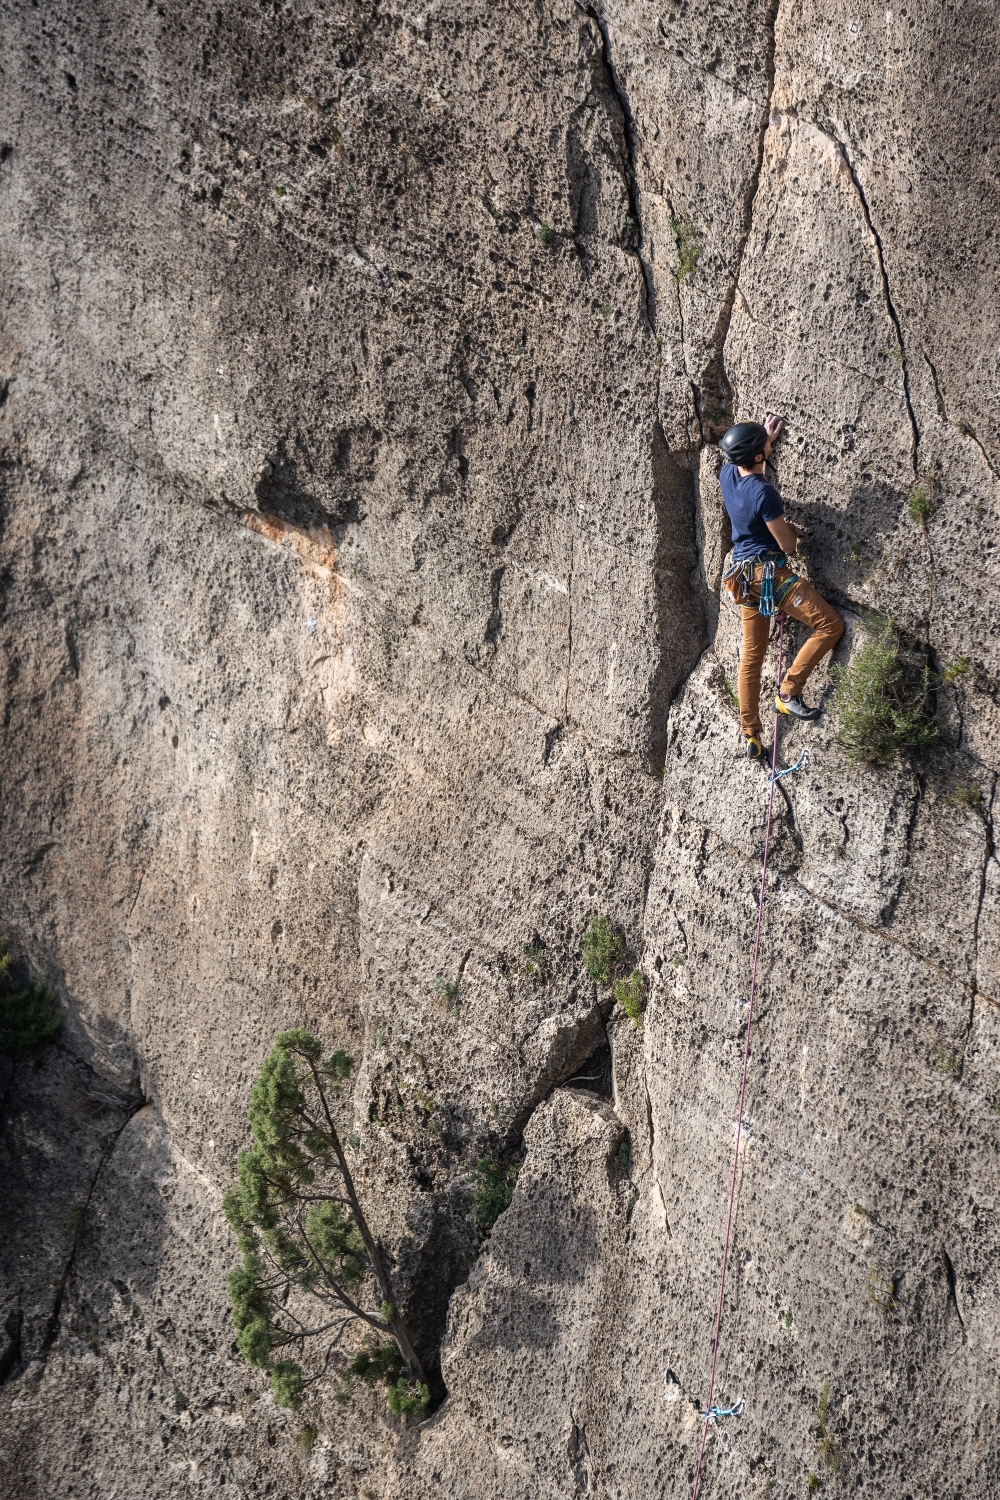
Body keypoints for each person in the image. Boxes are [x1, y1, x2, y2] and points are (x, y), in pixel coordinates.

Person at [719, 416, 844, 761]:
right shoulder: (764, 492)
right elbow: (787, 546)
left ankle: (751, 733)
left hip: (742, 578)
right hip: (769, 576)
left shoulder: (727, 474)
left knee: (752, 657)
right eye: (764, 445)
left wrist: (761, 439)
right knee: (830, 625)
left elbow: (749, 500)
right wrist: (788, 528)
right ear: (759, 457)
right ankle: (788, 692)